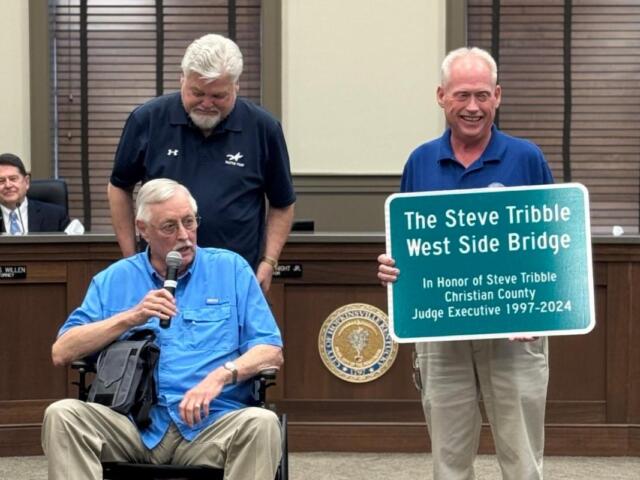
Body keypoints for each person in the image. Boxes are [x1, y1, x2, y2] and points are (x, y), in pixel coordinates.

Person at [378, 47, 553, 480]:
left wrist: (541, 308)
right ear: (441, 96)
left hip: (515, 331)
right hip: (442, 334)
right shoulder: (419, 162)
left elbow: (553, 247)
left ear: (498, 96)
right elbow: (409, 244)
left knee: (522, 458)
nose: (471, 107)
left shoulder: (527, 158)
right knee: (449, 462)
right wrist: (394, 269)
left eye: (481, 95)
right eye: (461, 95)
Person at [42, 178, 283, 480]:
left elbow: (270, 350)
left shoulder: (230, 270)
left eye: (190, 222)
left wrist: (221, 375)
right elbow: (62, 351)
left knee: (261, 422)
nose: (184, 236)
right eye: (169, 227)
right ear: (142, 229)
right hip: (132, 425)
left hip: (212, 425)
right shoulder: (114, 279)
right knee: (62, 415)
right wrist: (131, 317)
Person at [108, 33, 296, 292]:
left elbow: (283, 203)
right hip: (161, 275)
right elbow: (119, 186)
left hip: (235, 278)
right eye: (197, 93)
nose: (206, 104)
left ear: (236, 86)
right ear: (182, 79)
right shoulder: (147, 120)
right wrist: (131, 259)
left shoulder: (264, 128)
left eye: (218, 96)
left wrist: (268, 262)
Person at [0, 153, 69, 234]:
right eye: (1, 181)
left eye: (13, 179)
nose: (8, 185)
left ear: (26, 182)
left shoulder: (56, 216)